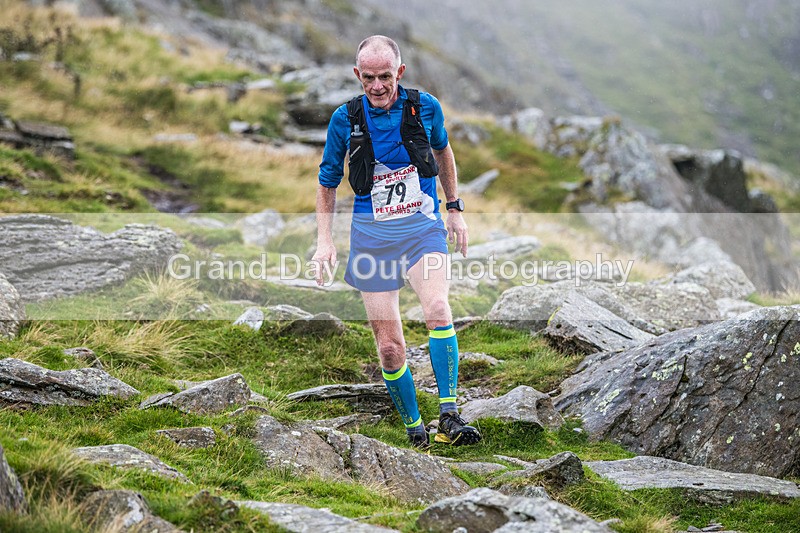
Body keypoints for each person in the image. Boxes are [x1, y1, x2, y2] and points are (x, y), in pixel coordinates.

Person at [312, 35, 481, 449]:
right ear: (357, 75)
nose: (376, 86)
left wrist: (454, 208)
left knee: (438, 308)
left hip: (422, 229)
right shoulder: (344, 120)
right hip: (372, 239)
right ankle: (415, 431)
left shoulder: (426, 107)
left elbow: (443, 152)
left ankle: (450, 416)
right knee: (389, 349)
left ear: (399, 73)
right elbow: (327, 182)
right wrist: (324, 242)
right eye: (367, 77)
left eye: (384, 76)